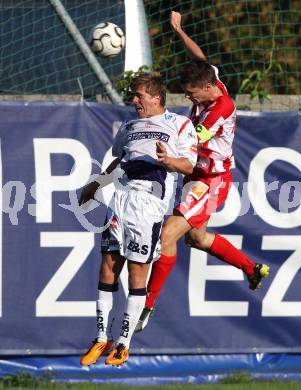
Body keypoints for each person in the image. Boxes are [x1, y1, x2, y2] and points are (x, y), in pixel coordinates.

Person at [135, 11, 270, 332]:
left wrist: (164, 134)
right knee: (196, 239)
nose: (188, 96)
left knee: (167, 234)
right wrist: (180, 31)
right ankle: (252, 269)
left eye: (192, 92)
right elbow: (201, 58)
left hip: (210, 182)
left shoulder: (221, 109)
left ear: (208, 89)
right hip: (196, 177)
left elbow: (196, 137)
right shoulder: (213, 81)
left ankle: (145, 305)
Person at [79, 72, 198, 366]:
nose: (134, 101)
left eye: (139, 96)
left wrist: (168, 160)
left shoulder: (179, 125)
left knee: (136, 273)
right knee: (107, 265)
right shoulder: (130, 127)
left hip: (149, 204)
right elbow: (120, 159)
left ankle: (123, 343)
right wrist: (96, 185)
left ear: (156, 97)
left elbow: (189, 164)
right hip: (120, 198)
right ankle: (101, 337)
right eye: (134, 95)